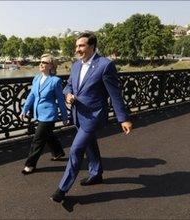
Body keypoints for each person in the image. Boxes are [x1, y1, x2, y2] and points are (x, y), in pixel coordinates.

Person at [50, 32, 133, 202]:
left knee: (76, 149)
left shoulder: (105, 65)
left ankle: (62, 189)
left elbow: (115, 94)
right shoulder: (75, 66)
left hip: (94, 115)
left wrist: (123, 118)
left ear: (92, 46)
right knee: (90, 145)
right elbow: (68, 87)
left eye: (81, 45)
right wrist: (68, 95)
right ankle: (96, 174)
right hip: (77, 114)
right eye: (76, 46)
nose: (77, 49)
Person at [20, 54, 69, 175]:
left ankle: (30, 164)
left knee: (38, 139)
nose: (41, 64)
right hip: (38, 112)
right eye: (40, 62)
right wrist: (24, 109)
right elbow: (31, 95)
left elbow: (60, 100)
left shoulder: (55, 81)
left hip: (49, 114)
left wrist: (64, 116)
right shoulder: (36, 78)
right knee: (48, 135)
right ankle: (58, 152)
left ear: (51, 65)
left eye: (45, 62)